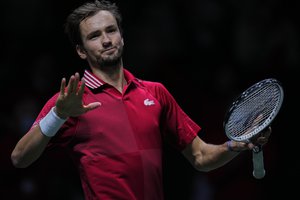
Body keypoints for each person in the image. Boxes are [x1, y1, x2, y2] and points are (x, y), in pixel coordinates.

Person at [11, 0, 271, 199]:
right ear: (81, 50)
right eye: (94, 36)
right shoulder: (70, 100)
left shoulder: (155, 93)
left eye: (110, 30)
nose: (105, 40)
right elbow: (19, 158)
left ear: (122, 37)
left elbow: (201, 157)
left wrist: (235, 145)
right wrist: (58, 114)